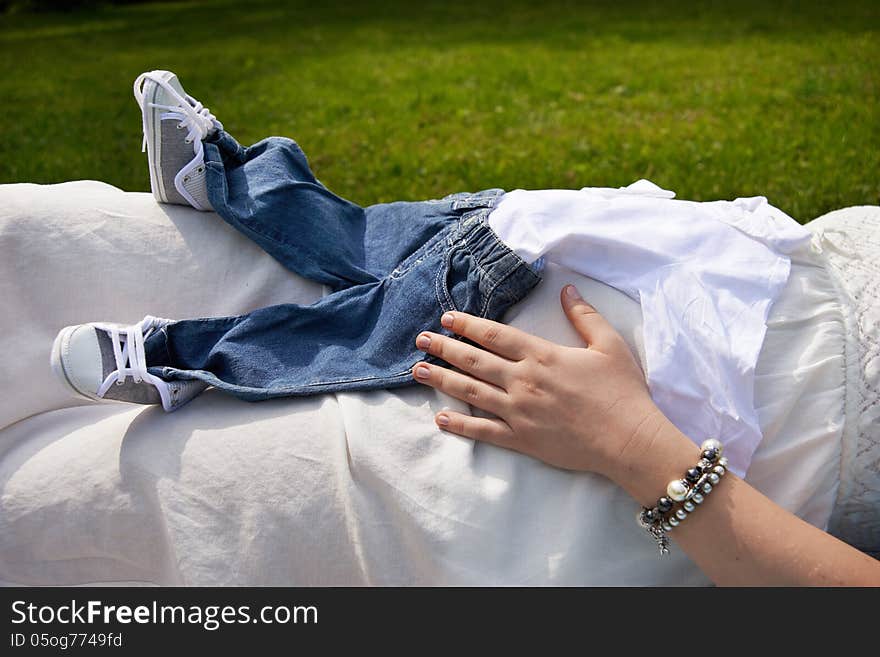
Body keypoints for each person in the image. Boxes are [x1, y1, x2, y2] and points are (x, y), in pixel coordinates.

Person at [49, 71, 880, 585]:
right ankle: (223, 177)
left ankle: (174, 358)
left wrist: (635, 443)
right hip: (651, 246)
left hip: (695, 411)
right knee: (368, 238)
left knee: (380, 332)